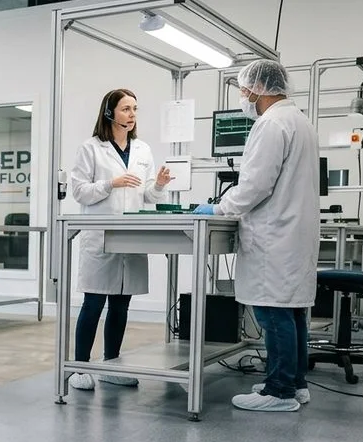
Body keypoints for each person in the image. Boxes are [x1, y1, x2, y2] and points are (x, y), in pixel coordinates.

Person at [192, 60, 320, 412]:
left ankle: (279, 392)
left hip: (275, 233)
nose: (243, 95)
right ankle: (295, 384)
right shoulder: (299, 121)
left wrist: (219, 208)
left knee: (273, 312)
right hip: (292, 231)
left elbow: (256, 184)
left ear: (258, 88)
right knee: (291, 311)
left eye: (244, 89)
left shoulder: (271, 124)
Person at [66, 88, 173, 391]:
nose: (132, 114)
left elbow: (147, 195)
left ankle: (111, 365)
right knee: (93, 303)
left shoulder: (143, 150)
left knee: (121, 304)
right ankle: (80, 367)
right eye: (126, 109)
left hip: (131, 237)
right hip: (100, 236)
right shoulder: (91, 148)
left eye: (135, 109)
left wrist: (159, 185)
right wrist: (110, 183)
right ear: (109, 112)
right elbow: (79, 192)